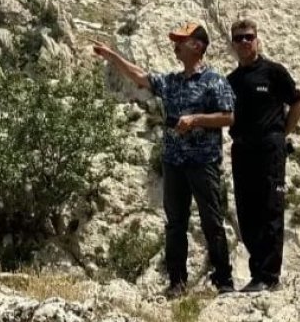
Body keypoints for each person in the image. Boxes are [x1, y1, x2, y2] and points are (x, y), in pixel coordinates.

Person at [92, 23, 237, 298]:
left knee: (211, 220)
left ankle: (224, 280)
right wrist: (112, 56)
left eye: (181, 41)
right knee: (175, 223)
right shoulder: (171, 81)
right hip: (173, 162)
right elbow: (140, 77)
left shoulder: (214, 81)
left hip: (203, 162)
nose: (176, 45)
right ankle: (177, 283)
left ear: (197, 45)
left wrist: (196, 120)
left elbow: (228, 117)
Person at [225, 19, 300, 293]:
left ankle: (269, 276)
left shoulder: (273, 72)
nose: (244, 42)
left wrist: (281, 135)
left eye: (249, 37)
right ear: (233, 45)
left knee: (270, 208)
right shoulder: (231, 81)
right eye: (239, 38)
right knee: (247, 212)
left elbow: (297, 103)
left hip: (270, 148)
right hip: (242, 149)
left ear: (257, 40)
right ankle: (256, 273)